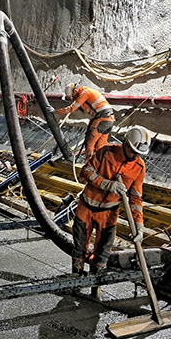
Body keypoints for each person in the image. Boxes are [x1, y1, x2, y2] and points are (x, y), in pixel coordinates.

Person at [71, 126, 150, 296]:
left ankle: (95, 290)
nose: (136, 156)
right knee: (78, 250)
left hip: (109, 213)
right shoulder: (106, 152)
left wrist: (139, 226)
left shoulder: (139, 167)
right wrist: (107, 184)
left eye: (139, 153)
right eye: (134, 151)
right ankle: (75, 285)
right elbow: (86, 171)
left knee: (102, 255)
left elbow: (136, 199)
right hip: (86, 207)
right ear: (126, 144)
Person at [56, 84, 115, 159]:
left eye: (73, 97)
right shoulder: (87, 92)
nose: (74, 99)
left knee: (89, 143)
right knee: (100, 147)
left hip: (102, 118)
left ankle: (88, 164)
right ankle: (98, 165)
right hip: (109, 119)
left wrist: (56, 111)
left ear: (75, 91)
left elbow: (71, 109)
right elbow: (94, 114)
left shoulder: (84, 93)